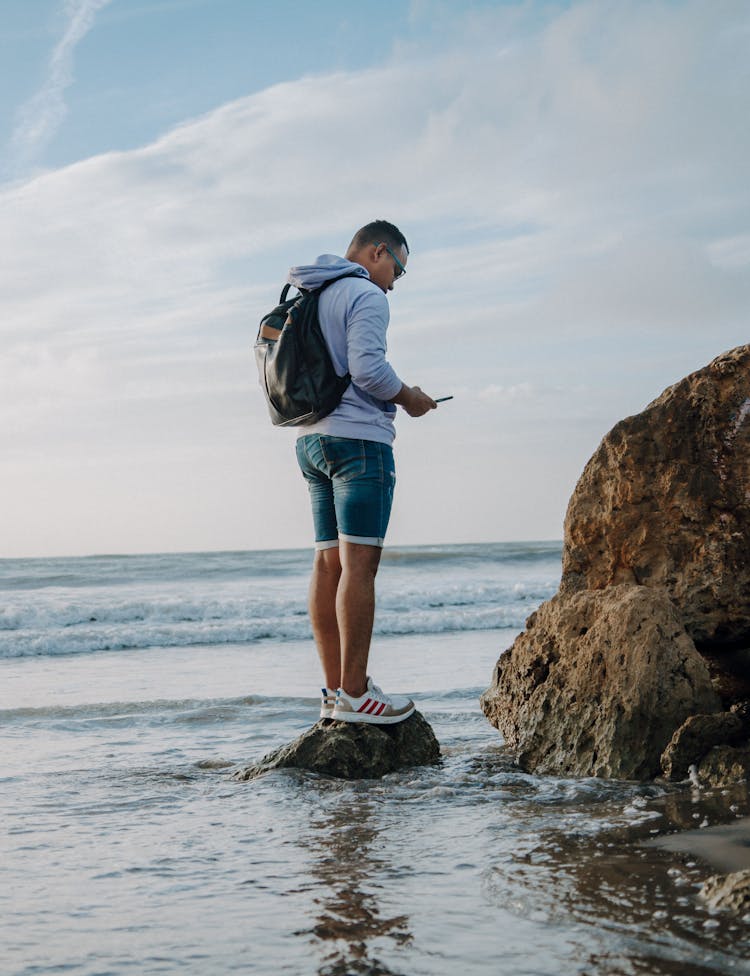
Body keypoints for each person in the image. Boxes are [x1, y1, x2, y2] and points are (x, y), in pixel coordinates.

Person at [289, 220, 436, 725]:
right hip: (359, 444)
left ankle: (335, 694)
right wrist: (410, 398)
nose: (396, 281)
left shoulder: (316, 292)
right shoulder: (367, 296)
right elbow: (369, 370)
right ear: (378, 252)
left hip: (311, 439)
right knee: (359, 566)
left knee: (327, 565)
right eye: (398, 267)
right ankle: (356, 695)